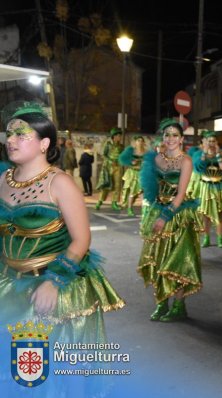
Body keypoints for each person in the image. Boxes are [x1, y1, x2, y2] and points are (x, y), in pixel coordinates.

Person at [0, 103, 124, 367]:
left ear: (44, 143)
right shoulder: (3, 179)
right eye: (9, 134)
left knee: (53, 374)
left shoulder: (60, 183)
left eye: (21, 134)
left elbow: (81, 240)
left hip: (50, 286)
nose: (11, 140)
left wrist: (53, 282)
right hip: (8, 284)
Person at [137, 118, 202, 322]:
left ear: (182, 139)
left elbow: (181, 194)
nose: (171, 138)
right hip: (158, 211)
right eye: (167, 135)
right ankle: (161, 302)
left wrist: (165, 217)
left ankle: (179, 306)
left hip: (178, 216)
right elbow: (151, 188)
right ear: (163, 138)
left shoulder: (186, 161)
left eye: (175, 135)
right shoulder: (157, 159)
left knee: (177, 262)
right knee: (158, 258)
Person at [196, 131, 222, 248]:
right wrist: (204, 154)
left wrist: (217, 154)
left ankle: (220, 237)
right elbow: (199, 168)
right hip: (206, 186)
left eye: (213, 141)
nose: (211, 143)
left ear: (216, 142)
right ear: (205, 142)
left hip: (219, 186)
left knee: (220, 213)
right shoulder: (201, 153)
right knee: (206, 214)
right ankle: (206, 238)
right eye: (209, 141)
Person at [95, 128, 124, 210]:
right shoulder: (108, 145)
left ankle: (114, 203)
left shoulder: (121, 146)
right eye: (118, 135)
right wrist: (110, 161)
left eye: (120, 135)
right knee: (106, 184)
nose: (120, 137)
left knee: (117, 185)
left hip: (118, 167)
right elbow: (103, 155)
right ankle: (100, 201)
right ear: (114, 136)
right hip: (108, 167)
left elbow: (123, 156)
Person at [119, 135, 147, 216]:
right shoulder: (131, 151)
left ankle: (144, 209)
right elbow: (123, 160)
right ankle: (129, 209)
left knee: (142, 192)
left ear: (144, 143)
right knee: (132, 192)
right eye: (138, 141)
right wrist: (131, 162)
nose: (140, 142)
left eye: (142, 141)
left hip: (142, 173)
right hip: (132, 173)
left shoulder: (146, 152)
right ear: (135, 142)